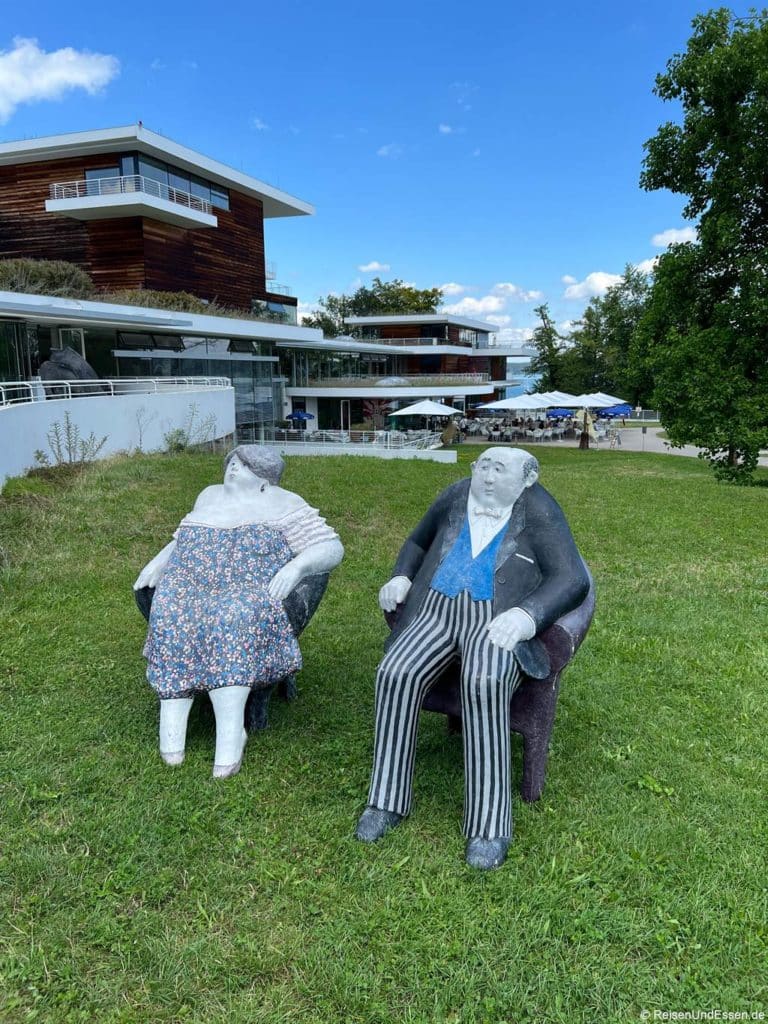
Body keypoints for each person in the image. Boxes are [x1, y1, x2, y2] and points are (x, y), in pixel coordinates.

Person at [355, 447, 589, 870]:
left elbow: (572, 578)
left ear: (527, 479)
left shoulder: (540, 511)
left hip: (495, 618)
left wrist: (525, 617)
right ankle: (385, 799)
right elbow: (416, 540)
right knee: (394, 672)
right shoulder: (454, 495)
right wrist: (401, 575)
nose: (487, 477)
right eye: (483, 466)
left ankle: (488, 825)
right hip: (436, 610)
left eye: (500, 470)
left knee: (484, 683)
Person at [134, 446, 343, 777]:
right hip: (190, 584)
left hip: (250, 588)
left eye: (243, 466)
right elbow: (182, 537)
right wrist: (160, 561)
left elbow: (331, 547)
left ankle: (231, 732)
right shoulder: (209, 496)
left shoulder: (284, 502)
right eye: (231, 462)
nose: (232, 468)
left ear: (264, 480)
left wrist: (297, 568)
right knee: (171, 611)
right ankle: (173, 724)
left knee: (233, 616)